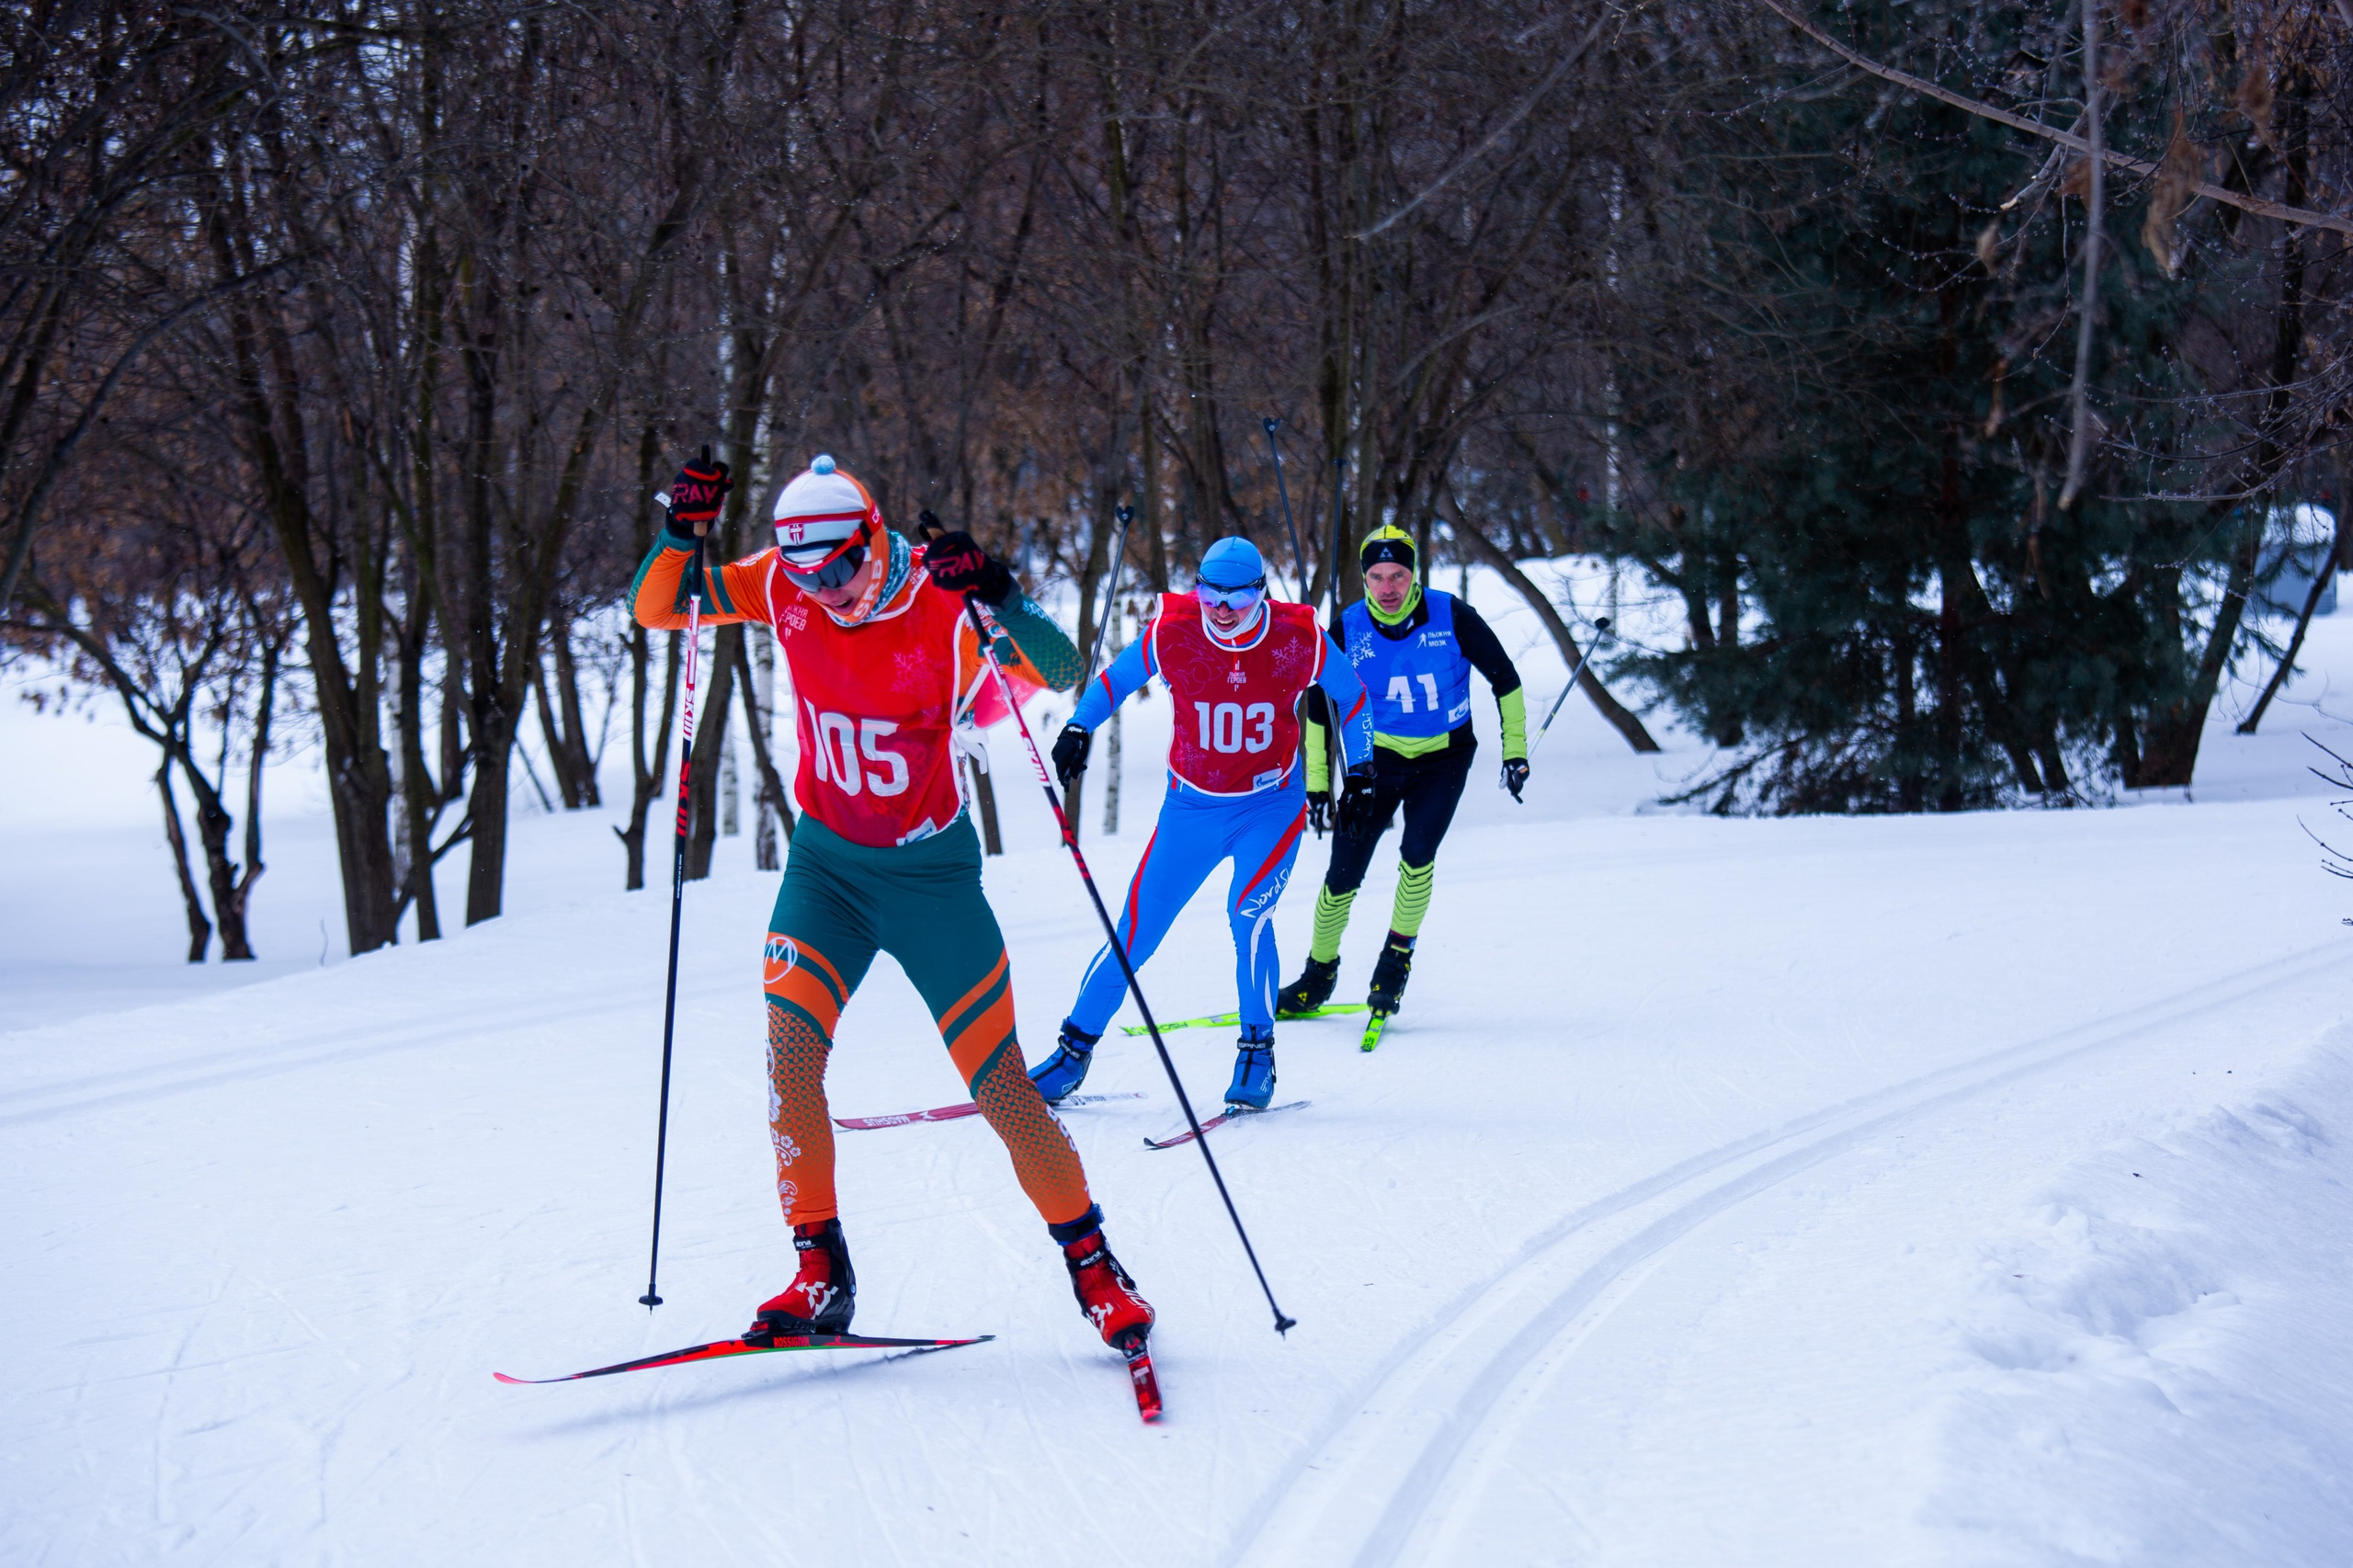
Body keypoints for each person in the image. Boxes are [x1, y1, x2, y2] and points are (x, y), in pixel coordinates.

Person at [629, 451, 1153, 1357]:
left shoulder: (939, 604)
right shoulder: (780, 584)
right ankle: (819, 1266)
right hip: (824, 870)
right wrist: (681, 531)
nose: (822, 589)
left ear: (872, 537)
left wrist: (998, 585)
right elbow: (657, 606)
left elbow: (1060, 666)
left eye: (836, 566)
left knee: (1000, 1087)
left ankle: (1097, 1267)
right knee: (790, 1064)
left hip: (929, 879)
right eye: (803, 572)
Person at [1030, 537, 1375, 1112]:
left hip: (1270, 807)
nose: (1220, 610)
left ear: (1260, 593)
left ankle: (1257, 1051)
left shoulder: (1299, 638)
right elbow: (1114, 680)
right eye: (1209, 595)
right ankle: (1072, 1053)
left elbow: (1353, 696)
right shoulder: (1174, 630)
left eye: (1235, 600)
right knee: (1134, 933)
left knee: (1250, 917)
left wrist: (1360, 772)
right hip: (1191, 807)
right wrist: (1079, 727)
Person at [1279, 524, 1527, 1021]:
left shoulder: (1451, 614)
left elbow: (1506, 678)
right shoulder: (1347, 627)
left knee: (1417, 855)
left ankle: (1394, 965)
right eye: (1376, 576)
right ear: (1364, 579)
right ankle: (1317, 976)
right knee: (1342, 873)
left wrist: (1514, 752)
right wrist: (1319, 784)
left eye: (1397, 575)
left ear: (1413, 574)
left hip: (1445, 758)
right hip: (1378, 762)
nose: (1388, 588)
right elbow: (1318, 705)